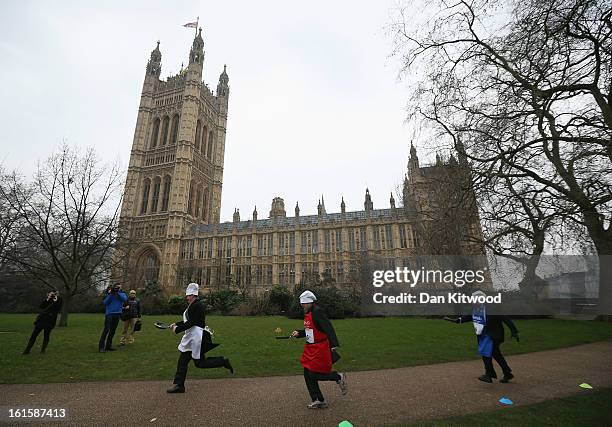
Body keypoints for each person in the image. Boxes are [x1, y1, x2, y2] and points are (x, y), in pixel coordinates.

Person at [167, 283, 233, 393]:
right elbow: (188, 321)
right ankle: (179, 385)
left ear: (193, 295)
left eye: (188, 296)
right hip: (192, 337)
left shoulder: (198, 306)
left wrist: (177, 329)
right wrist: (176, 324)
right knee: (186, 361)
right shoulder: (193, 305)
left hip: (196, 338)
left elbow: (192, 322)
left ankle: (223, 361)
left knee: (197, 362)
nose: (186, 298)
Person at [446, 290, 519, 383]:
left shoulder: (492, 309)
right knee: (496, 354)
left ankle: (489, 374)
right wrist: (455, 320)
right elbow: (466, 318)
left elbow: (505, 318)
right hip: (483, 336)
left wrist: (514, 331)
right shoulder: (476, 310)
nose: (472, 301)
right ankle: (507, 373)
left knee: (485, 353)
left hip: (493, 335)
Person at [291, 290, 348, 409]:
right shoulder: (308, 312)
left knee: (314, 374)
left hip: (320, 348)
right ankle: (318, 399)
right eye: (302, 304)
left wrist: (334, 344)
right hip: (310, 348)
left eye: (304, 304)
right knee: (307, 372)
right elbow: (311, 329)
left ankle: (338, 377)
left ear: (311, 303)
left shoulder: (317, 312)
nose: (303, 306)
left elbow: (328, 328)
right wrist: (300, 333)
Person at [23, 290, 63, 355]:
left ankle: (43, 350)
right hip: (41, 320)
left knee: (46, 335)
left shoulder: (59, 299)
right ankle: (27, 350)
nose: (53, 295)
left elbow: (58, 309)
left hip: (50, 320)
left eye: (55, 293)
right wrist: (47, 299)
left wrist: (55, 301)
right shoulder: (48, 299)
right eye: (51, 293)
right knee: (34, 335)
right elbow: (41, 306)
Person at [99, 283, 127, 353]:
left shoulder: (122, 294)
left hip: (117, 314)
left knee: (113, 331)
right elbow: (105, 303)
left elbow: (124, 299)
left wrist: (117, 293)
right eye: (116, 287)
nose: (117, 288)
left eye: (119, 287)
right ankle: (101, 347)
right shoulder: (110, 294)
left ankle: (108, 346)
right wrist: (111, 294)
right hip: (109, 314)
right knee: (106, 330)